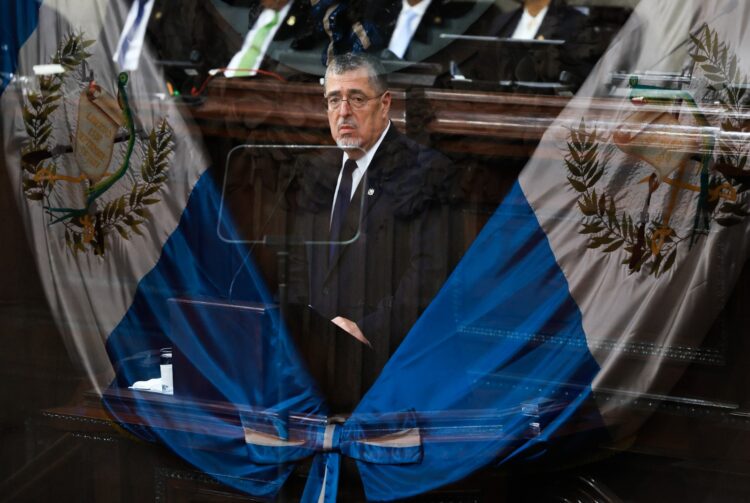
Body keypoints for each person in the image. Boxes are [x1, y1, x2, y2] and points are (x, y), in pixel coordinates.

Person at [288, 53, 453, 411]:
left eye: (357, 99)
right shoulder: (317, 169)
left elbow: (428, 277)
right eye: (334, 100)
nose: (343, 112)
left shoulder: (425, 171)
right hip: (310, 368)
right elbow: (299, 262)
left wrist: (367, 331)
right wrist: (303, 328)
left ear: (385, 104)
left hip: (382, 370)